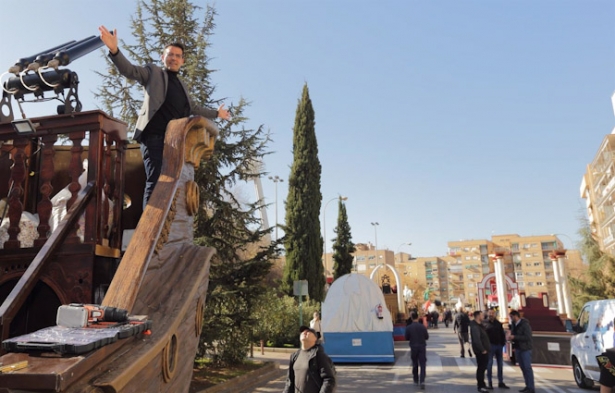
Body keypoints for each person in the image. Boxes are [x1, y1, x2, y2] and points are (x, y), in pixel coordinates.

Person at [98, 26, 231, 209]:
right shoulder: (153, 73)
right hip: (154, 137)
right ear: (163, 58)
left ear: (182, 61)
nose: (174, 58)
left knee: (172, 183)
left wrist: (217, 113)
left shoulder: (182, 85)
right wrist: (114, 50)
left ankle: (163, 225)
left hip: (175, 141)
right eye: (170, 55)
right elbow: (129, 70)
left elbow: (193, 107)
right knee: (156, 180)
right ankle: (150, 230)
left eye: (178, 56)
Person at [283, 325, 336, 393]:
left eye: (308, 331)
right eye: (302, 332)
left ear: (315, 339)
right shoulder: (294, 356)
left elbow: (329, 379)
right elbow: (289, 381)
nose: (304, 332)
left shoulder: (319, 355)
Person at [508, 310, 535, 393]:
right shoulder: (513, 324)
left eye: (512, 317)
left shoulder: (525, 324)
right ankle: (527, 385)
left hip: (525, 348)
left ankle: (531, 387)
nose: (511, 319)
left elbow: (527, 337)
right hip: (518, 348)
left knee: (527, 368)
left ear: (516, 316)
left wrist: (515, 337)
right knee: (523, 368)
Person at [483, 309, 510, 389]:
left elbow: (502, 333)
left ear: (495, 314)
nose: (491, 314)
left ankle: (500, 382)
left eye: (492, 313)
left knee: (500, 364)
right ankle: (490, 382)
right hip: (490, 346)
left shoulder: (498, 323)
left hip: (498, 345)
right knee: (489, 364)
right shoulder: (484, 323)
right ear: (488, 314)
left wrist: (502, 343)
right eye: (490, 313)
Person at [405, 311, 429, 389]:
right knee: (422, 364)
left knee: (415, 364)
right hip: (422, 347)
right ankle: (422, 380)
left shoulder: (408, 327)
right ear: (418, 317)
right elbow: (427, 337)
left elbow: (406, 338)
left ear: (411, 318)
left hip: (413, 347)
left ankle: (415, 380)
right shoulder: (422, 327)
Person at [470, 311, 491, 393]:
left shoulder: (480, 325)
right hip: (481, 351)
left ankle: (483, 384)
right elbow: (477, 340)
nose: (483, 316)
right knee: (481, 368)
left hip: (484, 349)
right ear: (477, 316)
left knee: (483, 368)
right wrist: (483, 350)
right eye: (482, 315)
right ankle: (481, 386)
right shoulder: (475, 327)